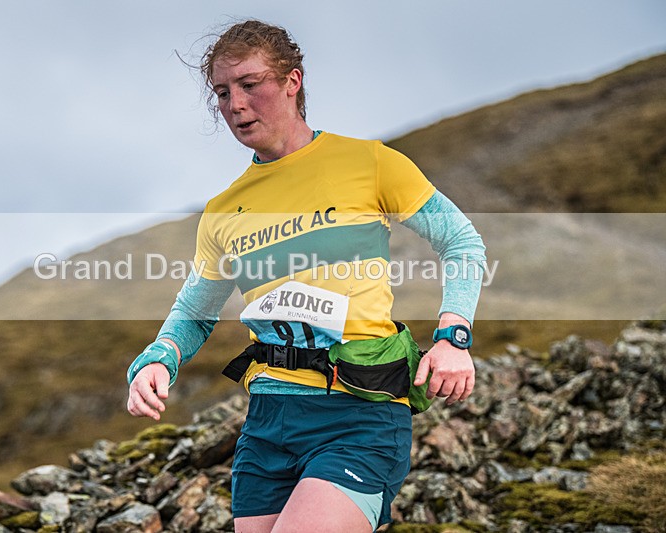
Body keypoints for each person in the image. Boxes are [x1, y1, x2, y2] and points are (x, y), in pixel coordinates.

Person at [127, 20, 486, 533]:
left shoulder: (370, 163)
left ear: (292, 81)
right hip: (268, 422)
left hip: (359, 409)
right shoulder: (224, 211)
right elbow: (193, 312)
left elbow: (463, 242)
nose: (235, 104)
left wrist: (453, 336)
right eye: (222, 92)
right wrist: (157, 359)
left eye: (250, 85)